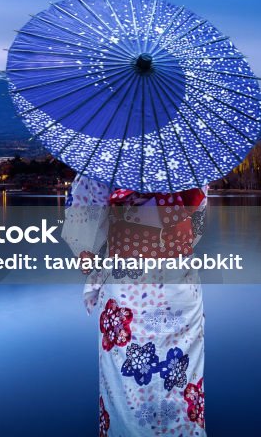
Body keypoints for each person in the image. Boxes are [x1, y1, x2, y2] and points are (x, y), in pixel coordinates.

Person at [63, 174, 208, 437]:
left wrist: (94, 250)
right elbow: (195, 229)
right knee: (180, 385)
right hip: (180, 289)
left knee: (127, 393)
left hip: (129, 291)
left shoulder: (107, 163)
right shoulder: (187, 163)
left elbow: (85, 251)